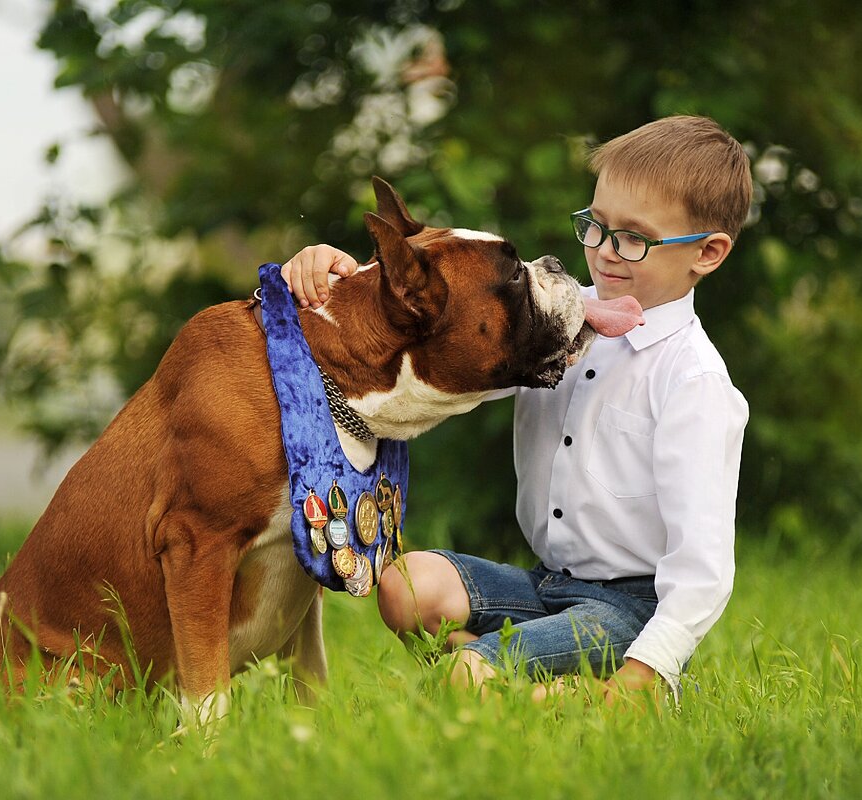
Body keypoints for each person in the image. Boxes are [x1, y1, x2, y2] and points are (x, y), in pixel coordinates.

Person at [282, 115, 752, 703]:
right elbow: (434, 335)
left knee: (468, 675)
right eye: (595, 225)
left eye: (633, 238)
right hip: (543, 586)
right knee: (405, 587)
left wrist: (649, 665)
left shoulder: (693, 382)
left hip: (629, 609)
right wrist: (337, 273)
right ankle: (527, 682)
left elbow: (703, 569)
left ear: (707, 253)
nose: (603, 253)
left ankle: (626, 694)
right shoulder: (552, 317)